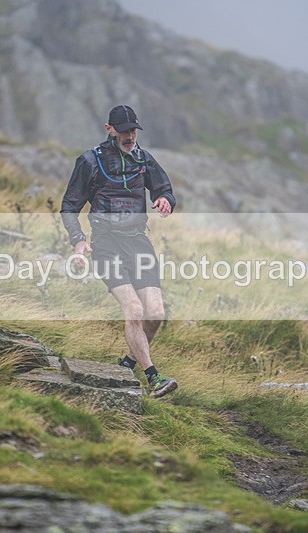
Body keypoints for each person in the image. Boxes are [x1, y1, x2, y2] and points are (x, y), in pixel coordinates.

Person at [61, 104, 178, 398]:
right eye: (124, 130)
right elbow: (69, 207)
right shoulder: (89, 161)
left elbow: (165, 188)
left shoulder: (144, 159)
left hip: (138, 242)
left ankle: (127, 365)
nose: (130, 136)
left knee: (156, 313)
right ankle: (153, 378)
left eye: (133, 130)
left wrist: (165, 200)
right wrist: (78, 241)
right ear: (109, 129)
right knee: (135, 310)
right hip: (106, 244)